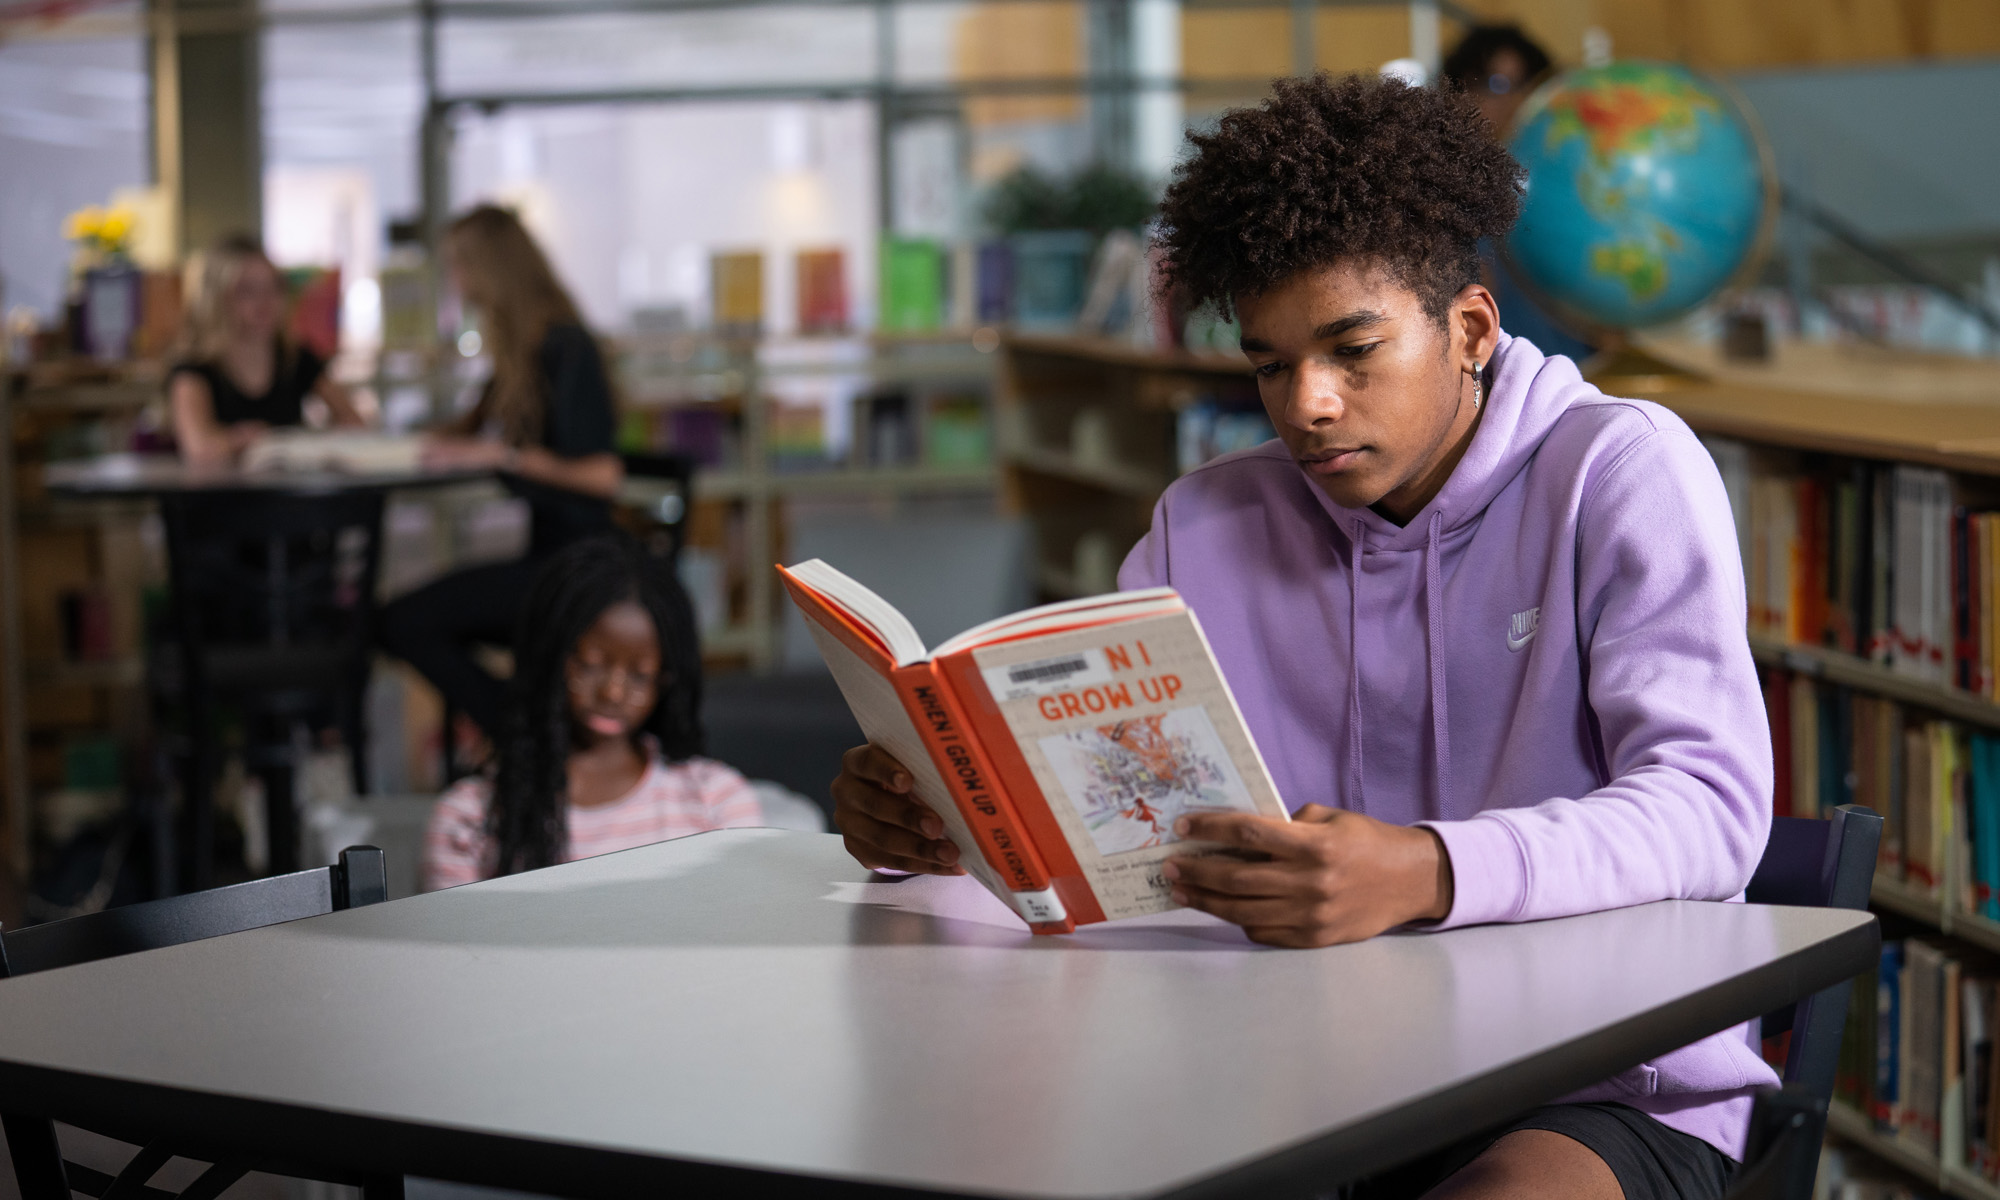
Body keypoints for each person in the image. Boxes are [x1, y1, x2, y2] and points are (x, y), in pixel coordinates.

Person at [830, 76, 1771, 1200]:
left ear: (1467, 327)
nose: (1306, 404)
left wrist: (1421, 870)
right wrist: (941, 821)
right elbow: (1099, 819)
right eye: (1269, 364)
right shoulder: (1204, 521)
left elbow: (1710, 807)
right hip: (1291, 1063)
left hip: (1593, 1079)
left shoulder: (1618, 470)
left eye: (1351, 349)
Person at [380, 204, 625, 744]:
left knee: (403, 622)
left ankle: (521, 733)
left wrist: (501, 458)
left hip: (579, 566)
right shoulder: (520, 352)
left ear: (492, 269)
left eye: (460, 267)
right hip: (548, 558)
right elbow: (464, 434)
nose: (456, 283)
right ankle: (527, 726)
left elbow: (603, 476)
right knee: (409, 619)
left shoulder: (565, 347)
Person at [423, 534, 761, 890]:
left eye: (640, 675)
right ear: (549, 657)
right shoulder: (469, 819)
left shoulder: (716, 802)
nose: (613, 692)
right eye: (589, 665)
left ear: (666, 680)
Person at [1440, 23, 1598, 364]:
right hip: (1501, 380)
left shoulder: (1571, 183)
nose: (1517, 101)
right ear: (1456, 92)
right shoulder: (1445, 192)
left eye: (1529, 86)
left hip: (1576, 371)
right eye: (1497, 85)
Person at [168, 235, 365, 466]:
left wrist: (315, 442)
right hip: (220, 496)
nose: (265, 302)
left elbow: (353, 422)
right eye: (247, 291)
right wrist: (248, 439)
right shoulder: (195, 366)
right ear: (217, 298)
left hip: (284, 493)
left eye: (273, 288)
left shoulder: (295, 356)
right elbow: (199, 448)